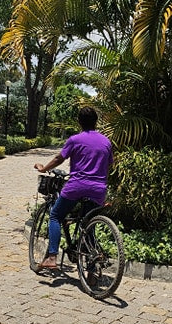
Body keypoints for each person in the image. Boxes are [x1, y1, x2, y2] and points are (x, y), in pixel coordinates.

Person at [33, 105, 113, 271]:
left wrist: (44, 169)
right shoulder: (106, 142)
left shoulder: (75, 140)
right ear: (96, 122)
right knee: (88, 224)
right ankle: (91, 271)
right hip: (98, 189)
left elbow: (59, 158)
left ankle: (52, 257)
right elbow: (109, 164)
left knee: (55, 215)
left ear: (79, 122)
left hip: (77, 186)